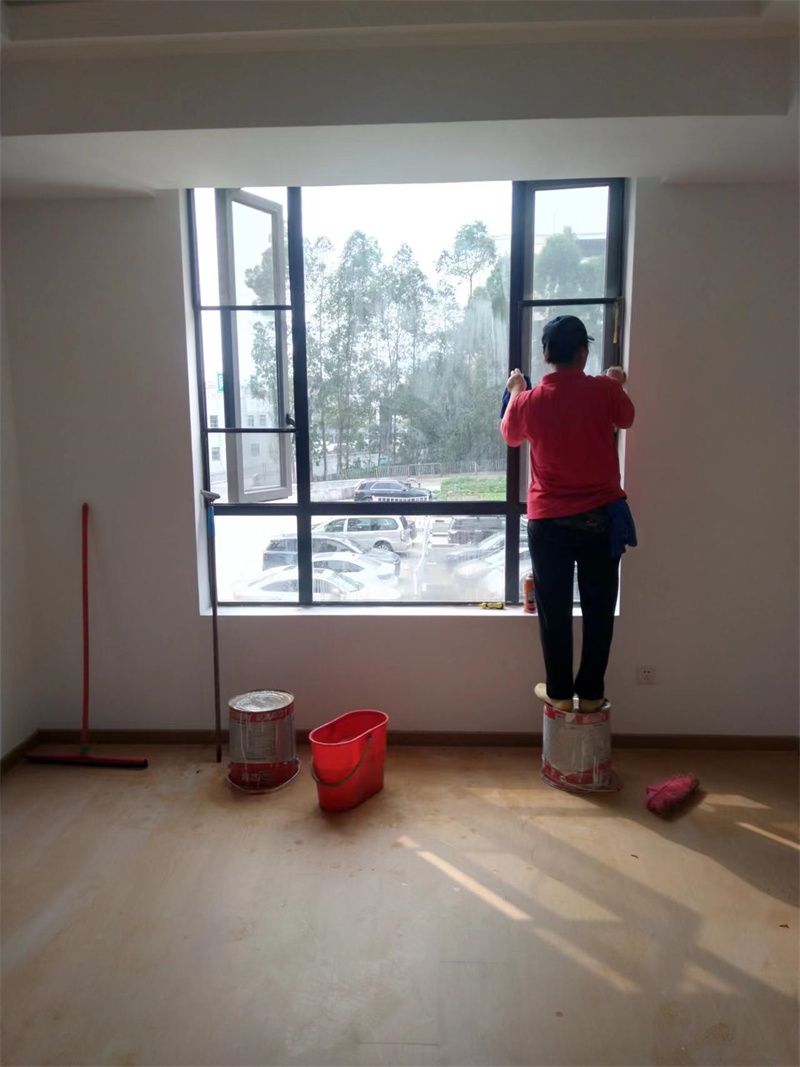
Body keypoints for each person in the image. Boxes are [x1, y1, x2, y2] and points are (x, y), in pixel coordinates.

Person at [501, 315, 635, 712]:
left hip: (549, 522)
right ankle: (591, 694)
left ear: (545, 354)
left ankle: (560, 692)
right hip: (600, 520)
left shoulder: (530, 401)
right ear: (583, 353)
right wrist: (615, 381)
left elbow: (510, 435)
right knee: (599, 609)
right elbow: (626, 418)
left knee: (554, 609)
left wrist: (515, 389)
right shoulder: (603, 391)